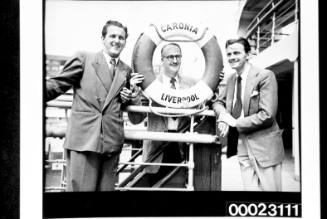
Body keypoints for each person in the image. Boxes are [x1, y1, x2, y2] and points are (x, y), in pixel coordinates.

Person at [46, 20, 144, 191]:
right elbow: (56, 85)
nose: (117, 41)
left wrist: (132, 94)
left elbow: (137, 118)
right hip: (84, 142)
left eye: (121, 38)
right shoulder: (84, 59)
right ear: (103, 38)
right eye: (112, 36)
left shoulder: (126, 71)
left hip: (111, 144)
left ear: (125, 42)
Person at [213, 37, 284, 191]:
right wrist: (224, 116)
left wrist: (235, 123)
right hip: (241, 145)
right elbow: (218, 102)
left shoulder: (265, 76)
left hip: (264, 148)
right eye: (229, 54)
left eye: (236, 53)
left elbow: (267, 115)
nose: (232, 57)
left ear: (248, 54)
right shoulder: (231, 79)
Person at [138, 43, 196, 186]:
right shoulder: (149, 84)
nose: (175, 60)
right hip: (156, 146)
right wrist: (135, 93)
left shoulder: (191, 84)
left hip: (181, 146)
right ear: (162, 60)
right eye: (170, 57)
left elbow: (201, 112)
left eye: (178, 56)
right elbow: (135, 118)